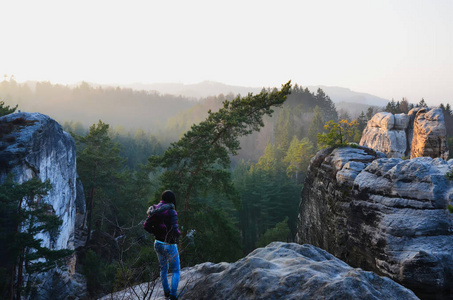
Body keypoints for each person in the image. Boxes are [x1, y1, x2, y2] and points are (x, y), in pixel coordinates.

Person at [147, 190, 181, 300]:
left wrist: (156, 232)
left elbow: (146, 226)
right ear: (172, 200)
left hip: (158, 243)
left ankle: (166, 292)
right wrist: (177, 236)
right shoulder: (171, 211)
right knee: (176, 270)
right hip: (169, 244)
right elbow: (175, 230)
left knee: (163, 270)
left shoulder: (155, 210)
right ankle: (173, 295)